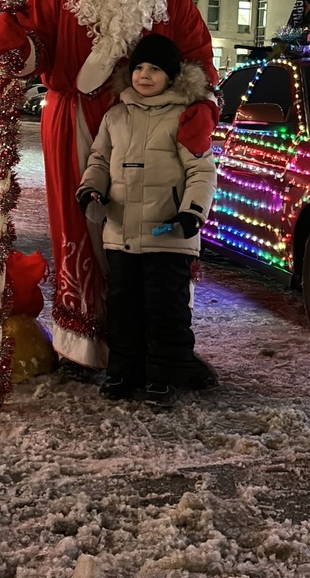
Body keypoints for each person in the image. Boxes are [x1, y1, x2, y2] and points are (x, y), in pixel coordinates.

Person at [0, 0, 218, 376]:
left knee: (152, 230)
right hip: (73, 119)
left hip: (153, 127)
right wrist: (15, 42)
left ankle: (161, 342)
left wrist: (201, 108)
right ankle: (86, 344)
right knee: (85, 223)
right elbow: (34, 49)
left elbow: (197, 56)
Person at [76, 34, 217, 406]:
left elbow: (202, 171)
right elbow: (100, 161)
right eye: (139, 67)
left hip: (169, 233)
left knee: (166, 310)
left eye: (155, 68)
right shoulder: (116, 115)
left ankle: (165, 376)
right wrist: (91, 189)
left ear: (172, 77)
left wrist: (192, 212)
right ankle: (123, 372)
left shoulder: (185, 116)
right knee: (124, 308)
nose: (144, 74)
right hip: (121, 231)